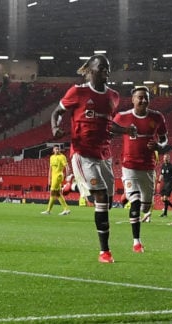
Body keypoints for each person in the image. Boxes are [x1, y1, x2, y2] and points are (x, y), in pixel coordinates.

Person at [51, 54, 137, 263]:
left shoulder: (113, 96)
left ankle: (74, 186)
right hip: (82, 153)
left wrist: (126, 130)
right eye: (101, 68)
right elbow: (57, 112)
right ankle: (104, 252)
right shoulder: (78, 92)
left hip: (104, 156)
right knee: (99, 196)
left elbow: (109, 125)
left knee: (106, 201)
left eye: (108, 68)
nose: (106, 71)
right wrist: (55, 127)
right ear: (90, 70)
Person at [113, 86, 169, 253]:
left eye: (146, 97)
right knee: (136, 204)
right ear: (133, 99)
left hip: (148, 168)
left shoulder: (157, 117)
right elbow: (109, 127)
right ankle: (136, 242)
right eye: (140, 97)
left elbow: (165, 138)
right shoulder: (123, 117)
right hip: (129, 166)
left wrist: (159, 145)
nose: (143, 100)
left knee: (145, 207)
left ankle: (128, 195)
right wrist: (123, 131)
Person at [41, 145, 71, 216]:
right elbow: (50, 169)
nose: (57, 150)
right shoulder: (51, 157)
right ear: (53, 150)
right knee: (57, 194)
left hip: (59, 176)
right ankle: (66, 209)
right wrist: (49, 178)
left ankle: (48, 210)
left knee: (53, 193)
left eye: (58, 149)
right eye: (56, 149)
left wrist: (67, 176)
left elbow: (67, 166)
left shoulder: (62, 157)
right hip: (53, 177)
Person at [158, 153, 172, 217]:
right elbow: (161, 174)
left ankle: (165, 213)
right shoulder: (163, 165)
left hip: (170, 183)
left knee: (165, 198)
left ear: (169, 158)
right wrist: (159, 181)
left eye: (166, 158)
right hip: (164, 183)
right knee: (162, 199)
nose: (165, 159)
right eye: (164, 158)